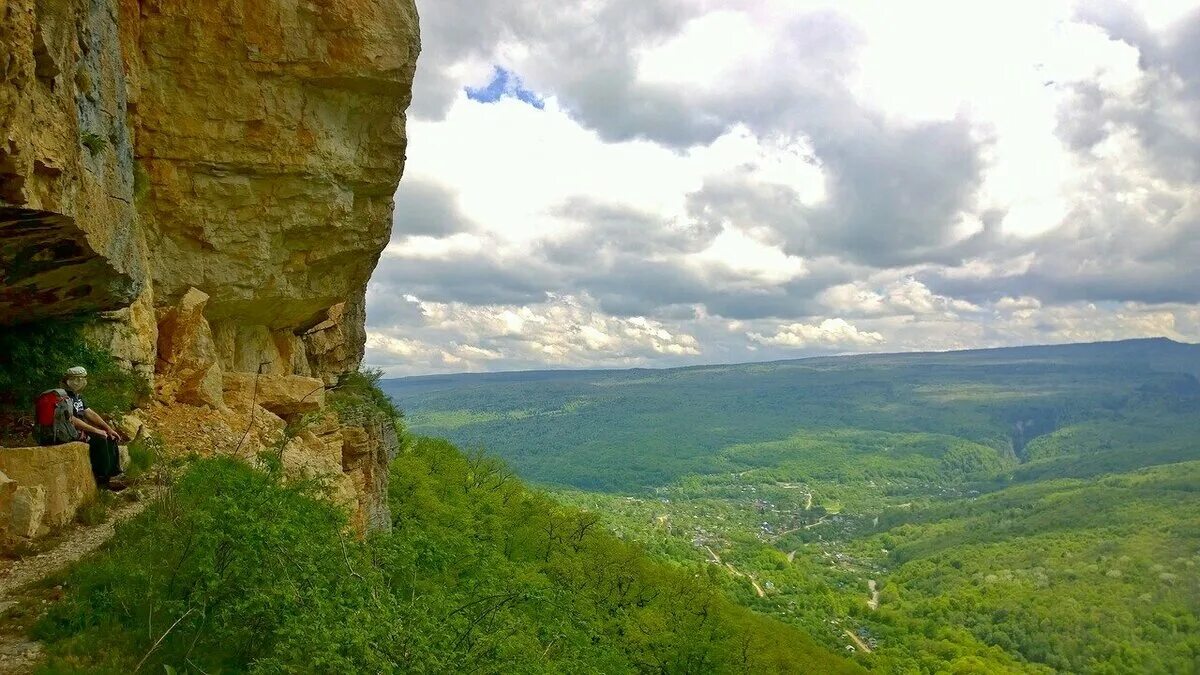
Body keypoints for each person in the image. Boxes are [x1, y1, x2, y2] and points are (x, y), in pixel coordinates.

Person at [61, 366, 127, 491]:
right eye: (80, 379)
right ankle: (101, 478)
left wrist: (108, 429)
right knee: (100, 440)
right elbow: (72, 420)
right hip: (68, 432)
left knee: (110, 438)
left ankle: (111, 476)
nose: (83, 382)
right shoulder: (64, 396)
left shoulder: (77, 396)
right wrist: (96, 431)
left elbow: (89, 413)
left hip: (77, 430)